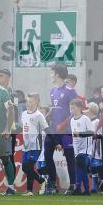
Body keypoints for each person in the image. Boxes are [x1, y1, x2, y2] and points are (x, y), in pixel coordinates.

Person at [45, 64, 77, 195]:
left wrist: (64, 124)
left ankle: (73, 185)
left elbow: (75, 111)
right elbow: (55, 108)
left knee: (69, 158)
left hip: (66, 131)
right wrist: (47, 116)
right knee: (47, 155)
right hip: (53, 130)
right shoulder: (52, 91)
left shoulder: (70, 91)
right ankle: (52, 184)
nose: (50, 76)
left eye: (52, 73)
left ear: (57, 74)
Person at [20, 93, 48, 196]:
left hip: (36, 145)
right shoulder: (23, 114)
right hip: (26, 146)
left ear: (36, 102)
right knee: (24, 168)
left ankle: (29, 190)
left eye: (31, 101)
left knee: (30, 167)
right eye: (28, 101)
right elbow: (24, 128)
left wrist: (56, 142)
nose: (29, 103)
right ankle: (41, 180)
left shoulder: (39, 115)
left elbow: (46, 128)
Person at [70, 98, 95, 196]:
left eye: (73, 107)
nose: (71, 110)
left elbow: (91, 132)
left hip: (85, 148)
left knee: (80, 163)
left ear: (79, 108)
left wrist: (79, 133)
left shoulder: (85, 119)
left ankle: (77, 187)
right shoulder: (72, 120)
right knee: (82, 168)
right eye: (70, 108)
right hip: (76, 148)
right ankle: (87, 190)